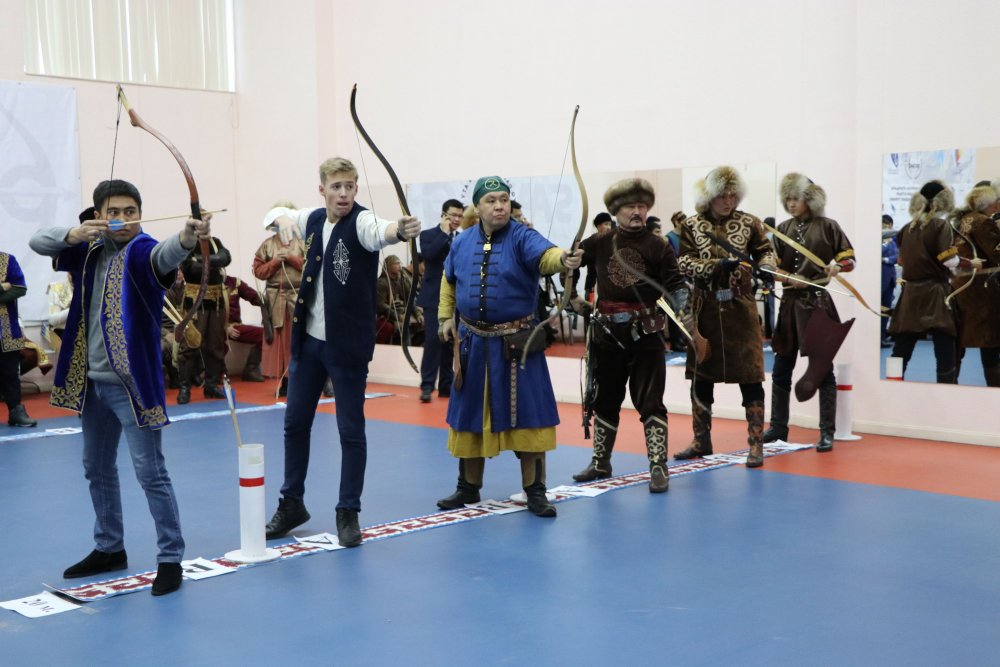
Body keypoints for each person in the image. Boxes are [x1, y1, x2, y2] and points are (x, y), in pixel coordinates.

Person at [29, 179, 212, 596]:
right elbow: (38, 241)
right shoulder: (87, 249)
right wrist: (74, 233)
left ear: (140, 214)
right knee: (96, 467)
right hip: (92, 384)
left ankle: (170, 557)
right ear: (99, 216)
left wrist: (188, 236)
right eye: (114, 212)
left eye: (131, 211)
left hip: (131, 386)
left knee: (151, 473)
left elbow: (168, 253)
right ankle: (109, 547)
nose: (124, 219)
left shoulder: (143, 251)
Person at [262, 157, 421, 546]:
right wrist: (280, 218)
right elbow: (276, 214)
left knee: (351, 431)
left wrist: (400, 230)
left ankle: (348, 510)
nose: (344, 193)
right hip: (309, 343)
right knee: (295, 423)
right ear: (323, 189)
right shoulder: (314, 218)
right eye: (336, 187)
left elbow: (381, 231)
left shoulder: (362, 222)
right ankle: (291, 502)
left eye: (350, 186)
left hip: (347, 346)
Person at [435, 176, 582, 517]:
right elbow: (448, 280)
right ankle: (467, 487)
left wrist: (564, 258)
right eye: (491, 200)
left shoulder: (522, 236)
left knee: (530, 417)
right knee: (469, 415)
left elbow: (547, 257)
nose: (499, 205)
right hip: (472, 344)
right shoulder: (462, 241)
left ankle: (535, 491)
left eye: (503, 199)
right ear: (478, 207)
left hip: (518, 345)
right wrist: (445, 317)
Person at [571, 179, 689, 492]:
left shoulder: (658, 245)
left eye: (641, 206)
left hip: (645, 334)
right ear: (616, 211)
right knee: (605, 399)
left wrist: (683, 310)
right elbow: (570, 260)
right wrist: (572, 295)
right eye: (629, 207)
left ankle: (658, 466)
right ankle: (600, 461)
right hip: (607, 334)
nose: (637, 212)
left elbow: (677, 285)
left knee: (651, 402)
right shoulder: (600, 242)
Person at [673, 166, 776, 467]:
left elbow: (765, 251)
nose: (728, 201)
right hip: (704, 311)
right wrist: (715, 266)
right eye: (722, 196)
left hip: (741, 310)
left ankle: (756, 444)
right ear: (709, 196)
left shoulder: (750, 222)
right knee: (701, 379)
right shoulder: (691, 225)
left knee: (751, 377)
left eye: (732, 195)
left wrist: (766, 267)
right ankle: (701, 439)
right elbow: (683, 262)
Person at [762, 173, 855, 451]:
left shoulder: (829, 226)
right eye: (788, 199)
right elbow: (770, 266)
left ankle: (827, 432)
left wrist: (838, 267)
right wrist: (784, 276)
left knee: (822, 370)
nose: (791, 204)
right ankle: (778, 427)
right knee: (781, 369)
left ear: (810, 199)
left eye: (797, 198)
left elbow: (849, 259)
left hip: (817, 306)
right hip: (789, 307)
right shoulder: (783, 229)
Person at [887, 181, 961, 383]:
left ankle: (891, 387)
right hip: (935, 293)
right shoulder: (940, 225)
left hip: (911, 293)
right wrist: (968, 263)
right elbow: (948, 260)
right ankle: (946, 389)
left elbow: (901, 260)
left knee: (902, 346)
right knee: (945, 344)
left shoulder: (906, 228)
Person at [949, 182, 1000, 386]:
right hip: (982, 291)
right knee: (990, 341)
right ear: (989, 204)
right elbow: (997, 254)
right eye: (996, 201)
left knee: (958, 342)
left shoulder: (962, 220)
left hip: (961, 286)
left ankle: (950, 384)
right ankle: (995, 389)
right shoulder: (983, 222)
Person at [252, 204, 305, 397]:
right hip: (275, 300)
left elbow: (312, 266)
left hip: (299, 298)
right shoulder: (267, 245)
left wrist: (291, 258)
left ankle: (308, 380)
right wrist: (275, 262)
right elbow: (258, 271)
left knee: (300, 340)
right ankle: (285, 382)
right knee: (280, 343)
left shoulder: (303, 242)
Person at [175, 235, 231, 403]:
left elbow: (226, 258)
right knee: (190, 345)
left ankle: (211, 385)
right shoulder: (187, 243)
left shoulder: (215, 241)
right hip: (195, 302)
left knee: (215, 345)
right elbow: (192, 269)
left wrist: (202, 259)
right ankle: (184, 388)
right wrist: (214, 261)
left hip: (216, 302)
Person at [418, 198, 462, 402]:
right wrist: (444, 234)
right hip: (434, 297)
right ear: (444, 215)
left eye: (460, 216)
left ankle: (446, 385)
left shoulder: (462, 238)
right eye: (453, 215)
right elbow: (429, 255)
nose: (457, 219)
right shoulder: (428, 235)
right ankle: (427, 385)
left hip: (457, 297)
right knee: (433, 341)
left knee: (451, 342)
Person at [0, 250, 37, 427]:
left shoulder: (8, 260)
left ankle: (16, 412)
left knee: (11, 374)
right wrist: (3, 287)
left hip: (7, 330)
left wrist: (6, 288)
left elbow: (20, 288)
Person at [224, 274, 265, 382]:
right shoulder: (206, 285)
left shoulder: (234, 282)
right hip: (214, 328)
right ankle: (216, 372)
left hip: (235, 326)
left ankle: (251, 369)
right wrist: (224, 328)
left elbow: (252, 296)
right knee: (214, 342)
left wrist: (266, 300)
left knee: (264, 335)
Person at [375, 254, 422, 345]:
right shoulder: (382, 283)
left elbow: (410, 299)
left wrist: (417, 314)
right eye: (396, 263)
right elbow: (380, 305)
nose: (399, 266)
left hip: (403, 312)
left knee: (422, 323)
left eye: (400, 263)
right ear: (389, 265)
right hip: (387, 316)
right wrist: (397, 315)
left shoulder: (402, 280)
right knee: (403, 327)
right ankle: (404, 350)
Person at [880, 214, 899, 348]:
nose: (886, 227)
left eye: (888, 225)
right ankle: (876, 338)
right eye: (884, 225)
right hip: (880, 280)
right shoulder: (877, 238)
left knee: (886, 310)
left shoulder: (894, 239)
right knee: (878, 309)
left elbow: (897, 255)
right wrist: (885, 244)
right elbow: (878, 252)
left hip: (890, 280)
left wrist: (886, 259)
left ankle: (882, 337)